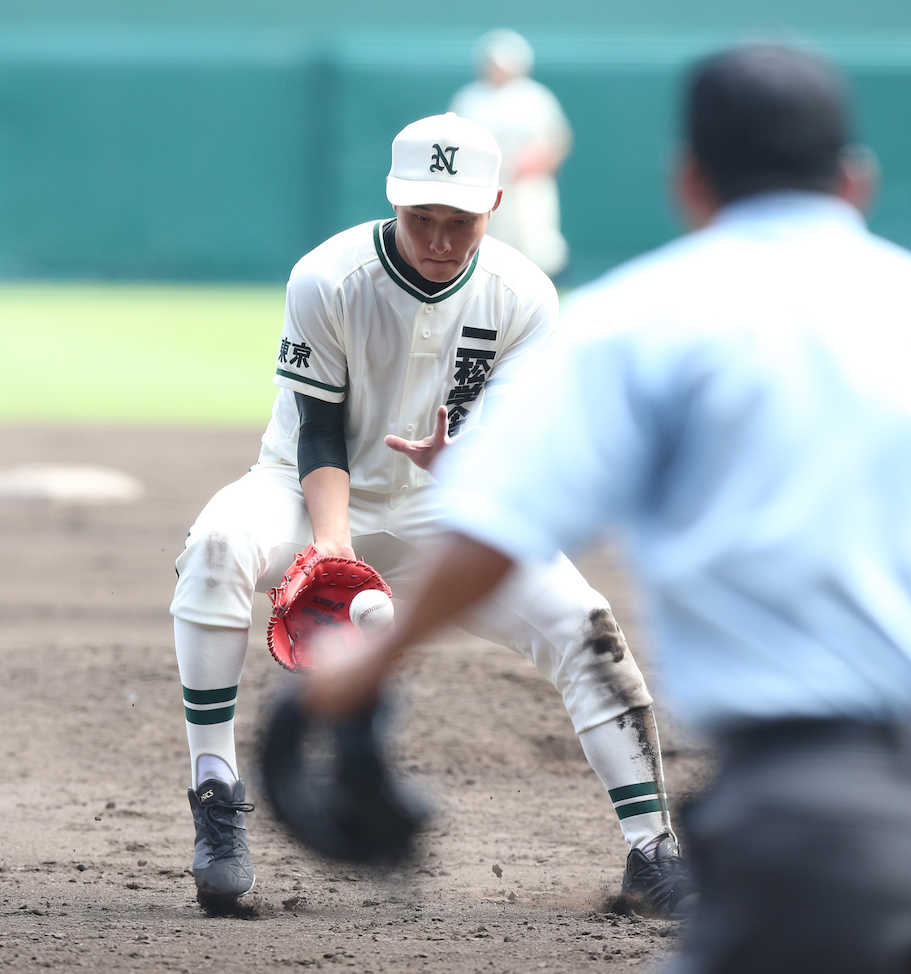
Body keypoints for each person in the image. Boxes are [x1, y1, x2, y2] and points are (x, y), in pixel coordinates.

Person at [300, 46, 911, 972]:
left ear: (691, 182)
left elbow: (504, 526)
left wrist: (367, 664)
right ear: (855, 180)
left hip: (813, 815)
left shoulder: (643, 321)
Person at [169, 111, 690, 915]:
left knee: (584, 623)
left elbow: (513, 454)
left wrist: (465, 466)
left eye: (460, 221)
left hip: (447, 513)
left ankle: (653, 851)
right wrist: (334, 552)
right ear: (392, 202)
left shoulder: (523, 294)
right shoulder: (328, 277)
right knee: (215, 546)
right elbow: (319, 430)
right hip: (303, 493)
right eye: (422, 219)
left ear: (493, 205)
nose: (440, 239)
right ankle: (216, 797)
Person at [450, 29, 572, 278]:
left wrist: (538, 162)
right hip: (483, 185)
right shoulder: (470, 99)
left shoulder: (535, 97)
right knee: (486, 241)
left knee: (535, 241)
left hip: (526, 185)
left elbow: (558, 139)